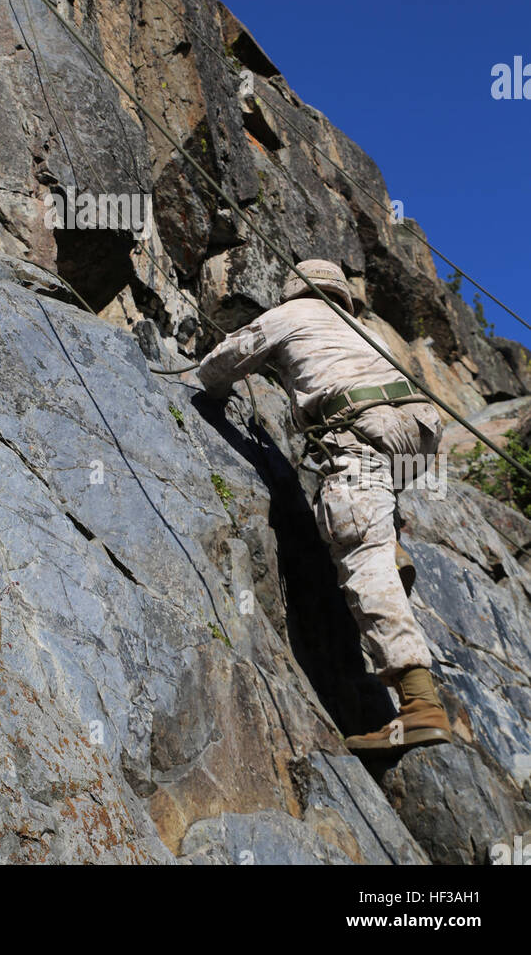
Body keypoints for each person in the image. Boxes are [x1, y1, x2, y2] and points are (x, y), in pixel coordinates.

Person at [197, 258, 453, 756]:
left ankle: (419, 703)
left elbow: (218, 365)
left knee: (359, 548)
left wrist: (218, 391)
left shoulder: (290, 315)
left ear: (294, 291)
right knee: (375, 493)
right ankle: (391, 542)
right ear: (344, 295)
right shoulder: (364, 328)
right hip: (419, 436)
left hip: (358, 426)